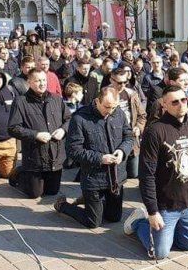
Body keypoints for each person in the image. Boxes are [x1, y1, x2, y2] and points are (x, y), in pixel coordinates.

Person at [123, 85, 188, 260]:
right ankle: (139, 221)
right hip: (166, 204)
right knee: (159, 253)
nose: (181, 104)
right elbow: (146, 174)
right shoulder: (155, 131)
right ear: (164, 105)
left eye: (183, 100)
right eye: (174, 102)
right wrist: (152, 211)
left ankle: (169, 231)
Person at [56, 87, 134, 228]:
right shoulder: (80, 118)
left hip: (116, 177)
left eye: (114, 107)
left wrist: (122, 151)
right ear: (97, 101)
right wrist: (100, 158)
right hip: (93, 178)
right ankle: (63, 205)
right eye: (107, 107)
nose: (110, 111)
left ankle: (91, 202)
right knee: (93, 223)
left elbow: (128, 137)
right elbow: (73, 149)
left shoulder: (119, 113)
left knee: (114, 218)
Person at [7, 69, 71, 199]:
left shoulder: (56, 99)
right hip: (34, 157)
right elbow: (13, 128)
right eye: (37, 81)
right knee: (35, 194)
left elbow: (70, 119)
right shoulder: (21, 101)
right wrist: (35, 135)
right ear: (29, 82)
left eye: (43, 80)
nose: (42, 84)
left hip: (55, 155)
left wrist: (63, 130)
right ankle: (19, 173)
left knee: (52, 192)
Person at [108, 68, 147, 178]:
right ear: (111, 80)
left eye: (125, 82)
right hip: (113, 138)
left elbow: (142, 115)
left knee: (133, 173)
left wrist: (138, 128)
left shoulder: (132, 94)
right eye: (119, 82)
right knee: (116, 172)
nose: (123, 85)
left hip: (131, 137)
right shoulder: (105, 94)